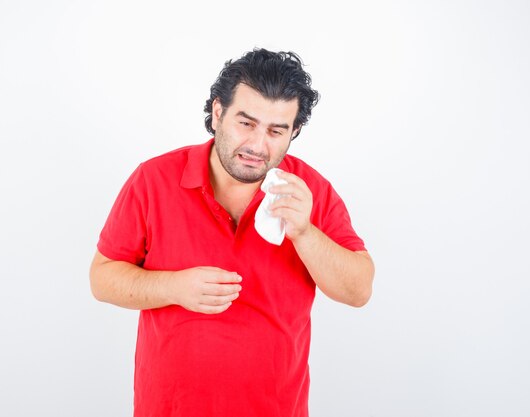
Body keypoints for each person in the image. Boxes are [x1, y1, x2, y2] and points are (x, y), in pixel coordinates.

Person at [90, 48, 375, 417]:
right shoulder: (153, 180)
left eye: (276, 131)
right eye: (246, 123)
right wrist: (173, 288)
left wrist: (305, 233)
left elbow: (359, 290)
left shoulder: (310, 190)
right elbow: (102, 278)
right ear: (218, 112)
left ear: (295, 131)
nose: (258, 146)